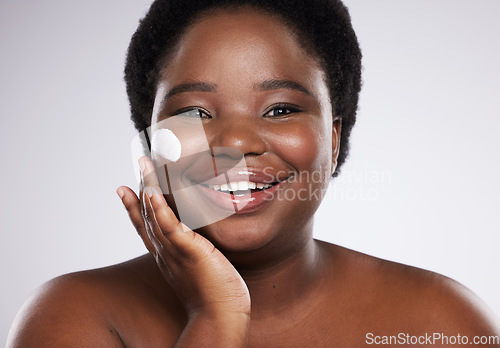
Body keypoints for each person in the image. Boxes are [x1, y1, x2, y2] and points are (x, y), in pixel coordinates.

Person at [7, 0, 500, 346]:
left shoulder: (440, 322)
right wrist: (216, 317)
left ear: (333, 137)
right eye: (197, 112)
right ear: (149, 143)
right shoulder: (76, 316)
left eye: (281, 109)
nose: (236, 143)